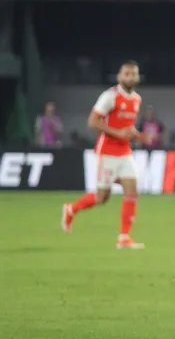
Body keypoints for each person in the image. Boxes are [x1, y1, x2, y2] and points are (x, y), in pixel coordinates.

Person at [61, 61, 146, 249]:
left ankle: (123, 238)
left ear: (138, 77)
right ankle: (71, 209)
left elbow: (127, 126)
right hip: (106, 152)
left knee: (132, 190)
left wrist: (136, 135)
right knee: (102, 198)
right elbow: (92, 122)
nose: (130, 77)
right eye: (127, 73)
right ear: (119, 76)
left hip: (125, 152)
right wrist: (118, 133)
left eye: (134, 74)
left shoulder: (137, 100)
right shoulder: (110, 97)